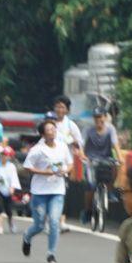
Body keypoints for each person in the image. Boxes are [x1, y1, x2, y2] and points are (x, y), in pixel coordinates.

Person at [21, 115, 72, 263]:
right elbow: (27, 167)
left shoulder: (62, 146)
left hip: (57, 190)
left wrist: (65, 171)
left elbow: (70, 163)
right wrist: (45, 172)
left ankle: (51, 253)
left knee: (55, 221)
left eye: (53, 128)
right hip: (40, 192)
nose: (52, 131)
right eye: (49, 129)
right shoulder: (37, 150)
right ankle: (27, 236)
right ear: (43, 134)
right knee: (39, 225)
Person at [82, 107, 122, 221]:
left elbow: (115, 144)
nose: (98, 119)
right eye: (96, 117)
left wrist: (120, 157)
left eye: (100, 116)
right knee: (90, 185)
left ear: (105, 117)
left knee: (115, 166)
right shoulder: (88, 130)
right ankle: (87, 210)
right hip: (91, 160)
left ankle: (110, 191)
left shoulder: (110, 129)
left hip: (106, 159)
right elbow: (81, 144)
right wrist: (82, 155)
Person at [53, 95, 84, 234]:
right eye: (58, 106)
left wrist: (75, 147)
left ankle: (62, 221)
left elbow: (79, 142)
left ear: (67, 110)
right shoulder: (50, 123)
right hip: (50, 162)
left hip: (65, 164)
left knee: (63, 192)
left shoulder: (70, 125)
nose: (60, 110)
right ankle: (51, 220)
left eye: (63, 107)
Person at [0, 146, 21, 234]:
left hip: (8, 190)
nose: (3, 157)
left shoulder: (11, 167)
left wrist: (12, 187)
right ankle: (0, 226)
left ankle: (11, 223)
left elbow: (14, 178)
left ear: (9, 157)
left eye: (6, 155)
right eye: (2, 155)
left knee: (9, 210)